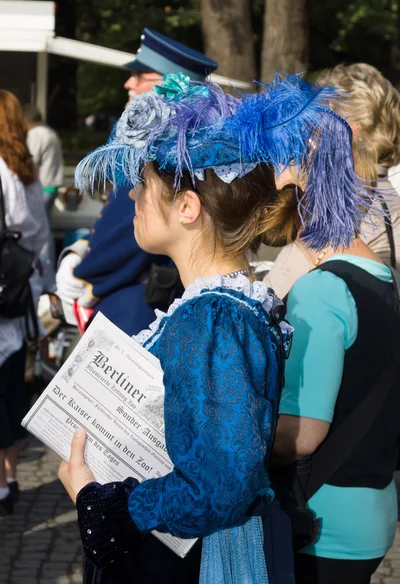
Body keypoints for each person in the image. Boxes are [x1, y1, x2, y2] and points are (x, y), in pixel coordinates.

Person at [57, 72, 372, 583]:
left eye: (146, 185)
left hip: (195, 560)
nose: (134, 195)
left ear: (187, 207)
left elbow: (219, 485)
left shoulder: (216, 317)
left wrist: (107, 505)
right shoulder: (218, 307)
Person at [271, 85, 400, 582]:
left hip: (325, 524)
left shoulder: (322, 290)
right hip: (368, 508)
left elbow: (301, 434)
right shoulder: (375, 274)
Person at [55, 29, 218, 336]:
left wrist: (85, 273)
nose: (129, 84)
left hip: (140, 303)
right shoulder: (159, 145)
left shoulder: (169, 152)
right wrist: (80, 251)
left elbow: (130, 230)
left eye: (143, 75)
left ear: (173, 85)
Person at [264, 63, 400, 299]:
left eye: (318, 121)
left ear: (348, 131)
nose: (309, 134)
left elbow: (273, 298)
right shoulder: (388, 200)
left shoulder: (347, 201)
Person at [0, 91, 48, 516]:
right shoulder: (24, 167)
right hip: (20, 286)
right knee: (14, 383)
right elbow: (40, 232)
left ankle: (2, 484)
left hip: (4, 288)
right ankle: (11, 476)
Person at [23, 103, 63, 291]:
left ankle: (47, 282)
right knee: (46, 232)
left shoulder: (36, 135)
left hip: (43, 188)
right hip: (52, 187)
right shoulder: (51, 132)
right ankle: (50, 280)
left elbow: (30, 161)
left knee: (41, 235)